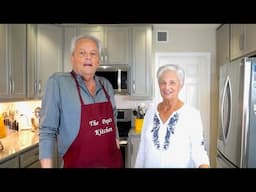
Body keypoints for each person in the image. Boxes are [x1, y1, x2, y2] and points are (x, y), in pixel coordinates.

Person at [39, 34, 123, 168]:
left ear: (98, 61)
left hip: (111, 162)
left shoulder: (106, 85)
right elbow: (47, 131)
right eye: (82, 53)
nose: (88, 57)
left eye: (93, 53)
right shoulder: (58, 83)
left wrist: (116, 139)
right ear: (72, 58)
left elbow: (113, 117)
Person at [135, 64, 210, 168]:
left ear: (181, 85)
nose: (167, 87)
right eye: (163, 83)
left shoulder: (192, 115)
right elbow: (142, 149)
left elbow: (199, 153)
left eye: (172, 83)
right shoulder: (150, 112)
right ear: (159, 85)